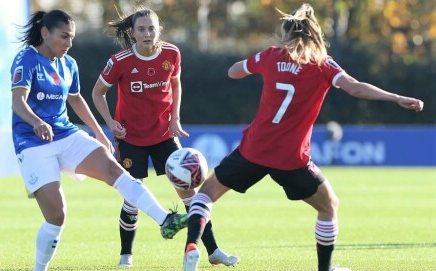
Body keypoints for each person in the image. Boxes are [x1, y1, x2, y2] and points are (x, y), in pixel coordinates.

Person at [182, 3, 424, 271]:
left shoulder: (271, 55)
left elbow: (233, 71)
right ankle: (326, 268)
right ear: (315, 35)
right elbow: (355, 89)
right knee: (329, 206)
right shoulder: (322, 65)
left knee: (205, 195)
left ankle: (192, 245)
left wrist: (254, 64)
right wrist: (396, 97)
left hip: (254, 150)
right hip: (291, 159)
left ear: (286, 35)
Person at [10, 9, 188, 271]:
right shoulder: (26, 59)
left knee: (114, 170)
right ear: (45, 33)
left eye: (72, 37)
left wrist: (98, 132)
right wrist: (36, 122)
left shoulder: (68, 63)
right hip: (33, 142)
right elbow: (18, 102)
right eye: (64, 37)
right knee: (57, 216)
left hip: (65, 134)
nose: (69, 44)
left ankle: (165, 220)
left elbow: (76, 98)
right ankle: (39, 268)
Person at [92, 6, 239, 269]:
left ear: (159, 29)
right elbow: (97, 93)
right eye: (141, 29)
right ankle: (126, 257)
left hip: (163, 136)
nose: (147, 33)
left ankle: (213, 250)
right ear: (133, 33)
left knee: (190, 195)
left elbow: (175, 83)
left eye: (151, 28)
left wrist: (175, 118)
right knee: (132, 198)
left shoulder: (171, 53)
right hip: (130, 138)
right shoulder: (120, 61)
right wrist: (111, 123)